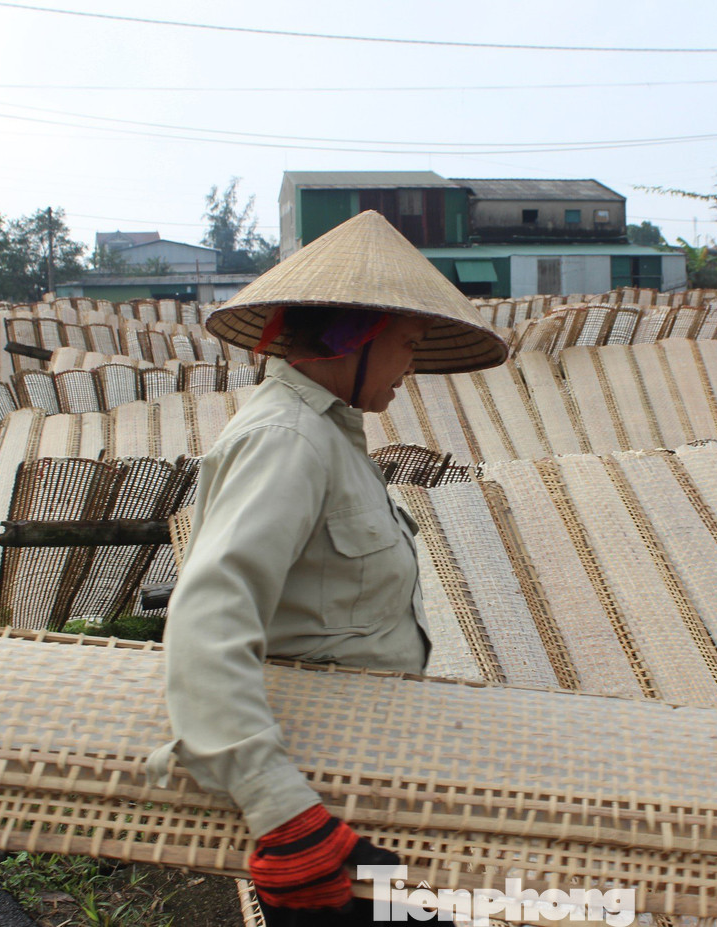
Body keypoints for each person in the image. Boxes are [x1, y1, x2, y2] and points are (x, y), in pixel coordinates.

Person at [148, 211, 508, 925]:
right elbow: (209, 617)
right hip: (317, 813)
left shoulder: (329, 434)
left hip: (361, 786)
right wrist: (282, 812)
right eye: (408, 345)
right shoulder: (288, 439)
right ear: (356, 336)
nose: (411, 367)